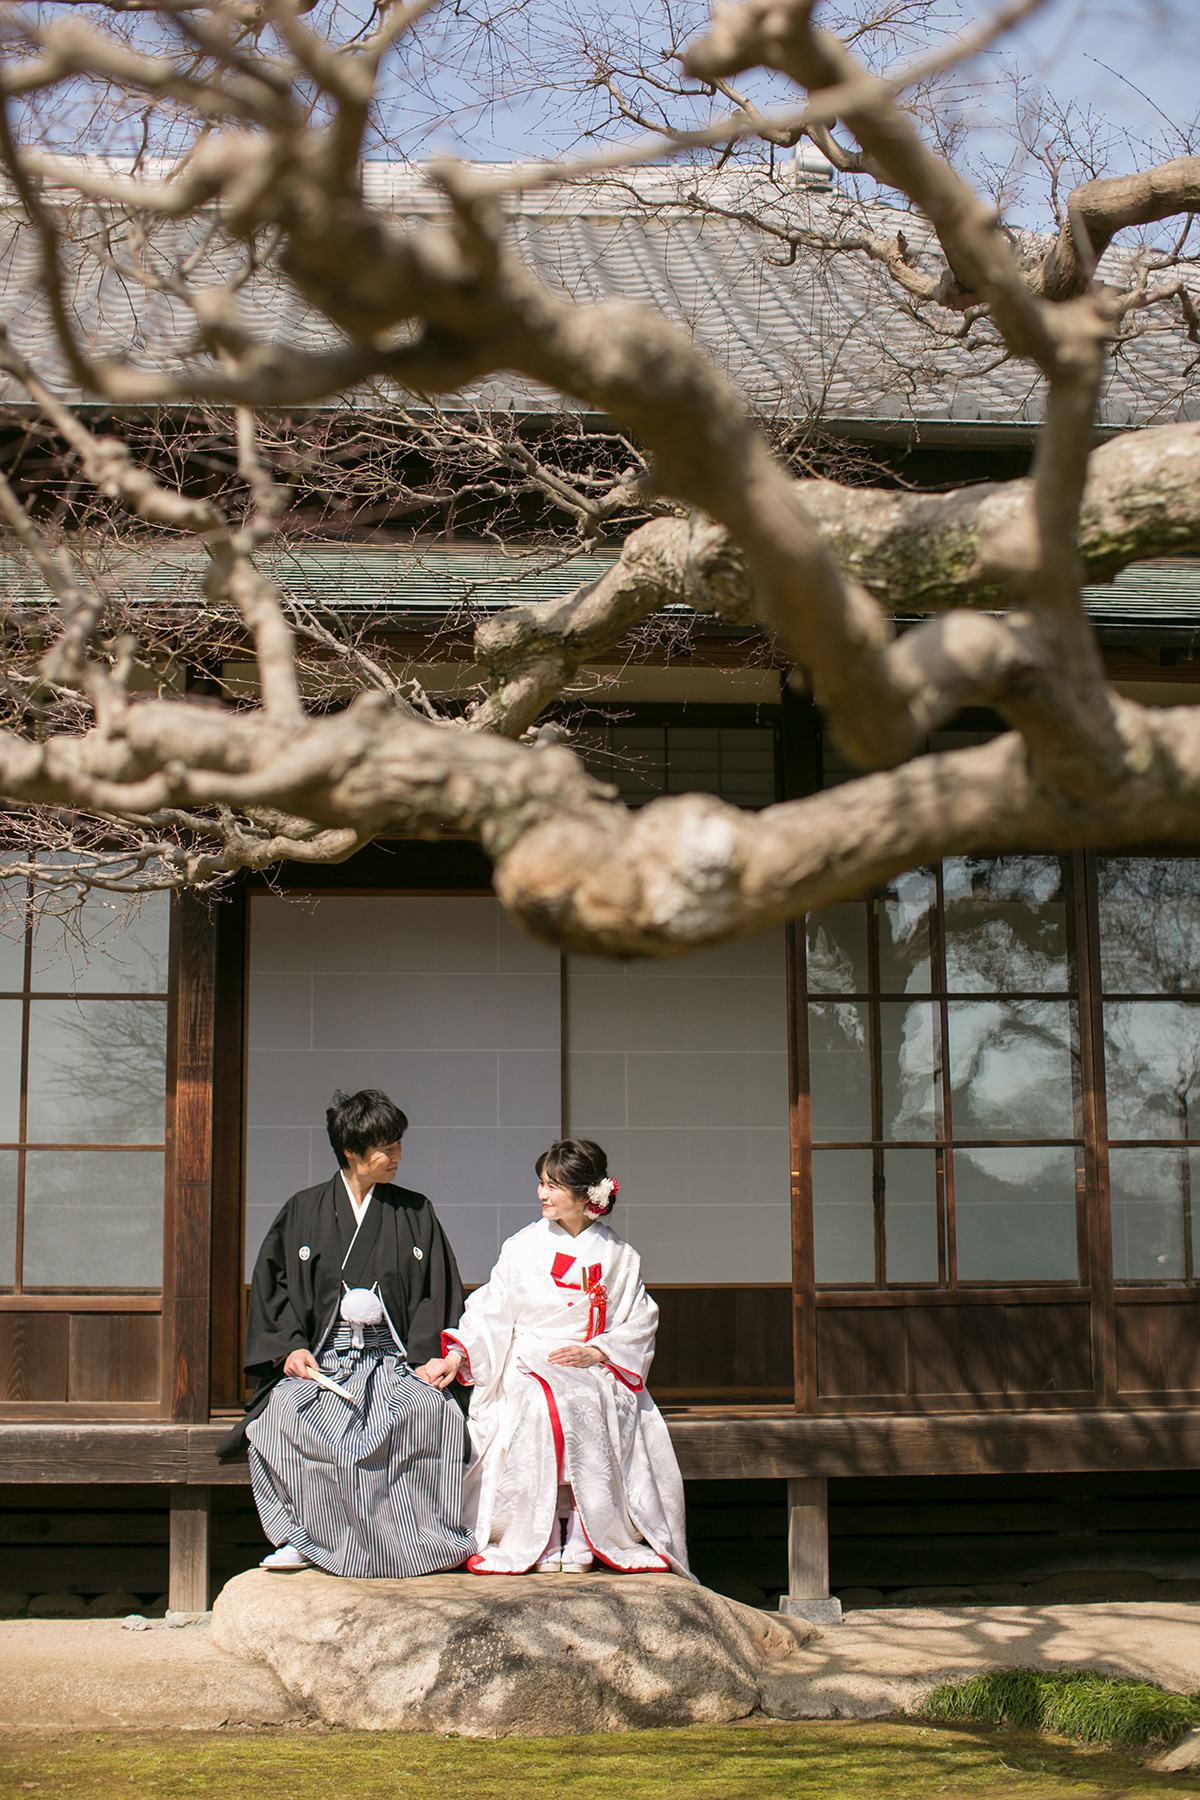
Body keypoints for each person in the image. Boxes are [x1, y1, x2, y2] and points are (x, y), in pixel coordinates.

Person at [219, 1088, 475, 1578]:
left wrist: (432, 1356)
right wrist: (290, 1348)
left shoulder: (415, 1211)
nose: (396, 1156)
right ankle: (301, 1538)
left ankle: (417, 1538)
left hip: (394, 1360)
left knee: (429, 1412)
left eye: (397, 1144)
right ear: (350, 1152)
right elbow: (272, 1289)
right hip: (324, 1362)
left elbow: (435, 1291)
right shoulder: (303, 1210)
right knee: (281, 1419)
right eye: (384, 1147)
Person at [421, 1139, 690, 1576]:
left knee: (585, 1401)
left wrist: (597, 1350)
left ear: (588, 1194)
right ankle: (540, 1530)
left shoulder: (619, 1256)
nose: (543, 1194)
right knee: (540, 1405)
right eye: (541, 1184)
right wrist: (457, 1356)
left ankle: (588, 1528)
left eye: (554, 1186)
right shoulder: (521, 1247)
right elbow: (493, 1308)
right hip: (528, 1359)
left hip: (592, 1364)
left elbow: (639, 1320)